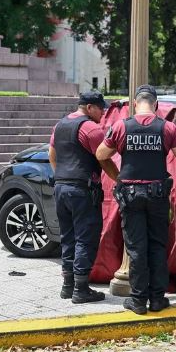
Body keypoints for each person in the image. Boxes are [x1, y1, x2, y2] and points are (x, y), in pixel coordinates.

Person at [96, 84, 176, 315]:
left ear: (136, 104)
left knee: (136, 248)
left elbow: (101, 154)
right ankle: (158, 299)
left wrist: (118, 177)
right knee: (158, 246)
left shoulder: (121, 126)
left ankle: (138, 301)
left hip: (130, 196)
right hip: (158, 195)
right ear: (156, 105)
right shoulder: (167, 128)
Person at [49, 91, 119, 304]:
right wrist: (119, 179)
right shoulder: (90, 128)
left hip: (61, 188)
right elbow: (104, 158)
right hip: (82, 191)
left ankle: (67, 286)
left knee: (68, 238)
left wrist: (62, 177)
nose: (103, 113)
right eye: (100, 109)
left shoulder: (60, 125)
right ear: (89, 108)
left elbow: (52, 155)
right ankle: (81, 289)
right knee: (85, 239)